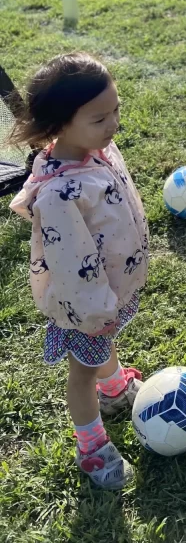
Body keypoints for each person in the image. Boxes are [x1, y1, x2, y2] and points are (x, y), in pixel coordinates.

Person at [9, 53, 149, 490]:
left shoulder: (96, 149)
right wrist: (95, 311)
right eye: (100, 118)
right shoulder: (58, 195)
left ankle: (113, 391)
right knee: (82, 370)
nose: (114, 124)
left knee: (100, 346)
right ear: (59, 125)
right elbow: (73, 265)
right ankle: (91, 448)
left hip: (105, 294)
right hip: (84, 304)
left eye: (116, 111)